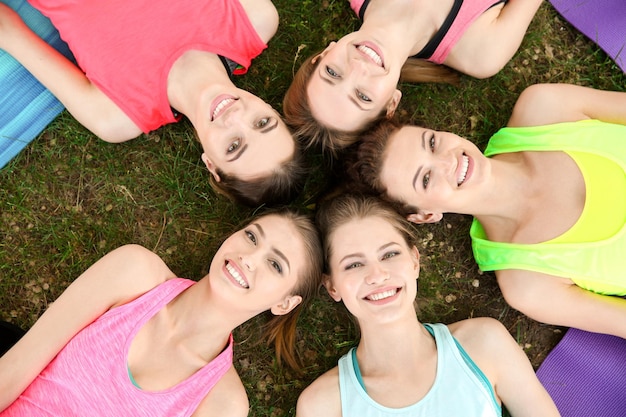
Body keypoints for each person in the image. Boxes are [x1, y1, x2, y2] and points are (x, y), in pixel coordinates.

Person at [348, 83, 626, 338]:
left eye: (431, 143)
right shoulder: (528, 284)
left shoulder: (545, 109)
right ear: (425, 215)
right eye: (425, 179)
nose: (448, 161)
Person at [0, 208, 323, 416]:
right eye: (252, 236)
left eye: (275, 264)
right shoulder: (134, 271)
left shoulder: (222, 403)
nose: (249, 257)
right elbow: (17, 365)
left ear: (284, 304)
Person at [0, 0, 305, 206]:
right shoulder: (253, 19)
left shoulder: (117, 116)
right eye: (263, 123)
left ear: (211, 164)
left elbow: (10, 34)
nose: (236, 117)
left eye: (234, 145)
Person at [297, 193, 559, 416]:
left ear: (414, 261)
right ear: (332, 286)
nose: (377, 275)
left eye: (389, 254)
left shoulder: (483, 344)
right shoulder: (325, 406)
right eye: (354, 264)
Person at [283, 0, 542, 155]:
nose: (358, 68)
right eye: (362, 96)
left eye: (332, 72)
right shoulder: (481, 53)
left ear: (326, 53)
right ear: (391, 104)